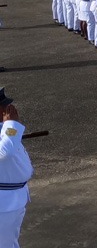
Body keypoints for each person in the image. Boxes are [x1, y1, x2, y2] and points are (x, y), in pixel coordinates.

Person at [0, 88, 34, 248]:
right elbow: (3, 152)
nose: (8, 109)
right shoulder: (8, 128)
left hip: (12, 199)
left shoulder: (4, 128)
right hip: (4, 204)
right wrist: (12, 125)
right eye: (3, 106)